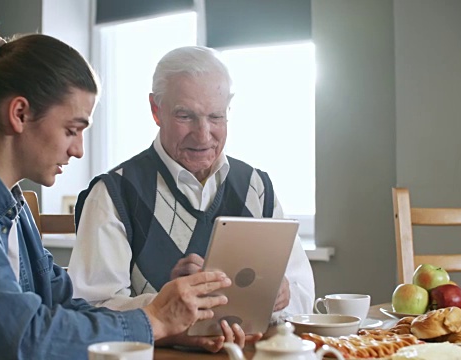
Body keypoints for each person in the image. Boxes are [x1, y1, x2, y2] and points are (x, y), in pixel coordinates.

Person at [0, 26, 239, 359]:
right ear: (20, 114)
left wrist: (169, 325)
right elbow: (22, 339)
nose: (78, 150)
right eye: (72, 130)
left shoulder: (13, 208)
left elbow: (65, 307)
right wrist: (152, 322)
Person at [68, 46, 316, 330]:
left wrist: (282, 295)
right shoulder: (114, 193)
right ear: (155, 110)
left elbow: (304, 296)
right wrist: (166, 302)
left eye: (215, 117)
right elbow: (91, 309)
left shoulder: (257, 187)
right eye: (185, 116)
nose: (203, 134)